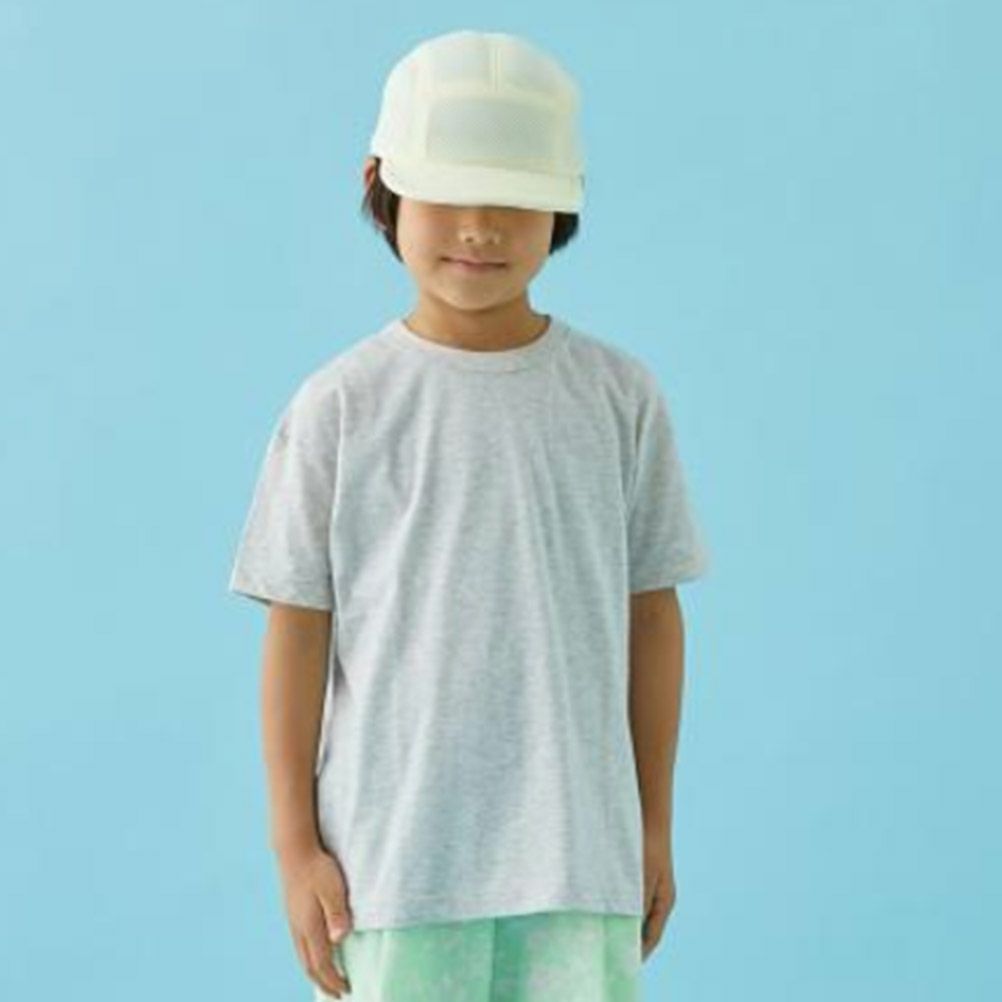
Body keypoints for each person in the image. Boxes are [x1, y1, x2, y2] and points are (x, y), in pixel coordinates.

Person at [228, 28, 711, 1002]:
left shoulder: (617, 397)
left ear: (565, 201)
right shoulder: (341, 408)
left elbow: (652, 615)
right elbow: (298, 629)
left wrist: (652, 825)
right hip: (394, 864)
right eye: (448, 193)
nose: (481, 227)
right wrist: (295, 847)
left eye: (515, 196)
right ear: (381, 186)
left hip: (579, 858)